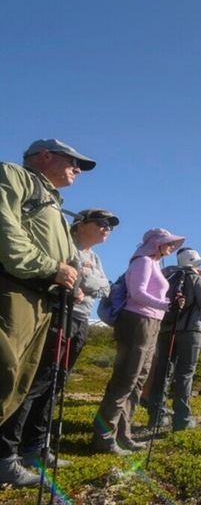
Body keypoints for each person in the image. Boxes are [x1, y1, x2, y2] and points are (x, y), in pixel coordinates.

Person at [0, 140, 96, 487]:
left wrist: (64, 272)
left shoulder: (52, 200)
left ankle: (7, 458)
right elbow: (5, 229)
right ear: (45, 157)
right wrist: (50, 266)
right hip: (14, 286)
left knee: (22, 378)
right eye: (74, 162)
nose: (77, 170)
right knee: (7, 370)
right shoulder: (14, 176)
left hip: (40, 296)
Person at [0, 209, 117, 484]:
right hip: (57, 314)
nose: (107, 228)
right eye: (101, 222)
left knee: (56, 382)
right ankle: (9, 452)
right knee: (36, 382)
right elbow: (81, 280)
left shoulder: (94, 257)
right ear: (80, 225)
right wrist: (86, 281)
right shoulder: (66, 244)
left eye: (110, 225)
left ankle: (36, 447)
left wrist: (89, 281)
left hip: (78, 320)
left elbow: (104, 286)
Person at [92, 228, 185, 455]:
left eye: (173, 243)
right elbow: (137, 293)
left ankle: (123, 434)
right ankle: (104, 437)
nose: (172, 247)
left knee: (138, 380)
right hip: (137, 322)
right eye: (168, 243)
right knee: (126, 379)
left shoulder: (154, 264)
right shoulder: (143, 261)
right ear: (156, 243)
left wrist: (166, 303)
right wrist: (166, 305)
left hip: (150, 323)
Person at [146, 248, 201, 431]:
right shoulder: (196, 279)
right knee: (185, 373)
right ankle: (182, 419)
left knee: (163, 371)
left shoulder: (167, 275)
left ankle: (156, 416)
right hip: (190, 330)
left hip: (165, 330)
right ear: (194, 262)